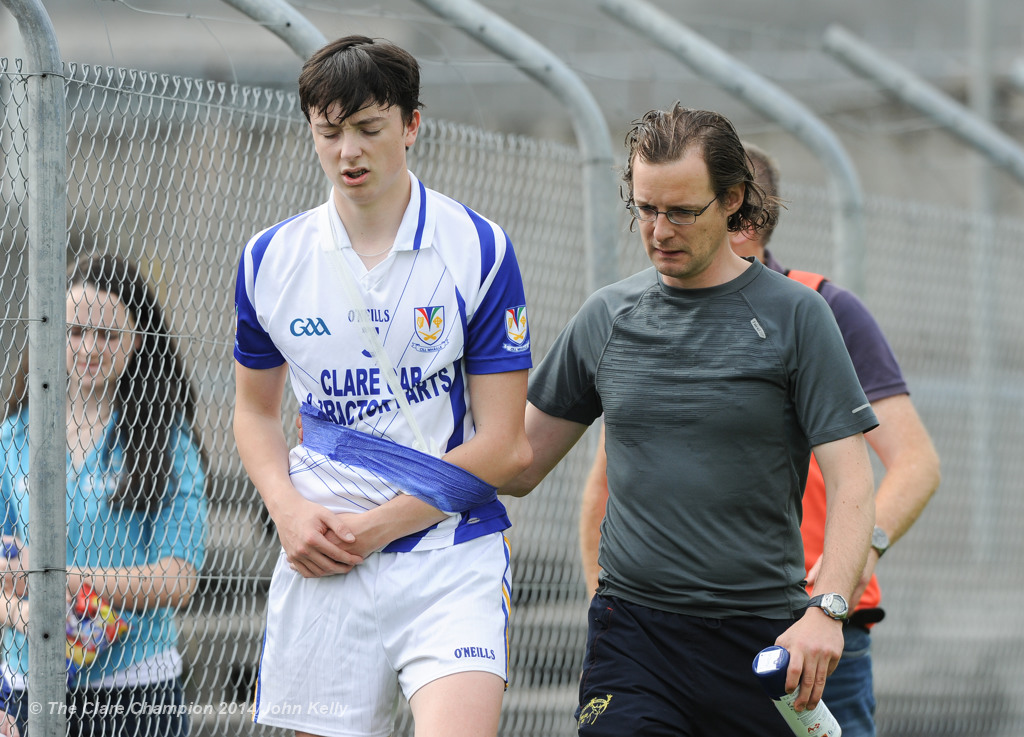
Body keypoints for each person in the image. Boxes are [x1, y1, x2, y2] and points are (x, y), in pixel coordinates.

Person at [500, 104, 879, 736]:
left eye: (681, 211)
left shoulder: (797, 317)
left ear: (732, 201)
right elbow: (516, 463)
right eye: (646, 209)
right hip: (635, 637)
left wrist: (829, 609)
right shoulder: (606, 317)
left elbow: (852, 482)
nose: (659, 230)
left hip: (763, 637)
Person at [578, 142, 941, 736]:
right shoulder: (649, 317)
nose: (673, 239)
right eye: (655, 212)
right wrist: (615, 608)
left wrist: (848, 567)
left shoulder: (819, 310)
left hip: (810, 624)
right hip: (671, 627)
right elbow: (607, 480)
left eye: (693, 216)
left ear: (746, 218)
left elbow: (915, 462)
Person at [232, 36, 533, 737]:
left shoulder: (477, 248)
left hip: (446, 550)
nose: (348, 153)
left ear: (411, 124)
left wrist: (373, 529)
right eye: (329, 133)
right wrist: (288, 512)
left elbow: (504, 445)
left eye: (369, 129)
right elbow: (254, 411)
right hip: (323, 552)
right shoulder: (269, 258)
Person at [0, 254, 208, 737]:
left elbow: (178, 578)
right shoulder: (14, 436)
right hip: (22, 683)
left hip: (132, 690)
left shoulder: (166, 442)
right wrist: (23, 613)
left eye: (108, 335)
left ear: (137, 341)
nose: (90, 347)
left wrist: (58, 578)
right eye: (75, 332)